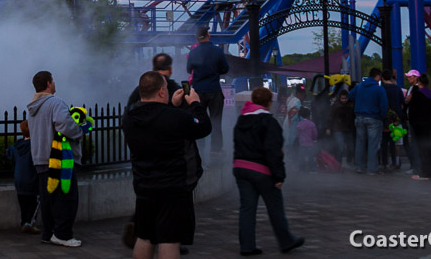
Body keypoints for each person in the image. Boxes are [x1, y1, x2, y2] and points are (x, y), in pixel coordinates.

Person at [122, 71, 212, 259]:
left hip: (144, 187)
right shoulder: (174, 117)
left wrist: (173, 105)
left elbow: (157, 121)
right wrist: (195, 102)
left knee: (145, 236)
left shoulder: (130, 118)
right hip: (173, 189)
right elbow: (203, 126)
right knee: (169, 240)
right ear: (162, 92)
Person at [232, 86, 304, 256]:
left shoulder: (241, 120)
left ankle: (247, 246)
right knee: (275, 208)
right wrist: (279, 175)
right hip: (262, 170)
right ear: (269, 103)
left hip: (241, 167)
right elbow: (273, 151)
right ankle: (286, 241)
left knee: (247, 209)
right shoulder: (269, 121)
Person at [26, 70, 85, 248]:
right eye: (53, 80)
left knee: (48, 199)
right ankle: (62, 235)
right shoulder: (55, 103)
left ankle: (48, 233)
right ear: (49, 83)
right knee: (66, 198)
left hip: (40, 158)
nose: (54, 83)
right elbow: (65, 125)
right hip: (59, 159)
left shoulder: (32, 106)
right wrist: (80, 131)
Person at [185, 28, 229, 153]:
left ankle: (200, 150)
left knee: (198, 121)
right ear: (208, 35)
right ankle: (216, 151)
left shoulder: (193, 53)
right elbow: (225, 69)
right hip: (214, 90)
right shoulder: (218, 51)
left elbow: (189, 70)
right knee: (216, 122)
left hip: (198, 91)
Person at [351, 68, 387, 175]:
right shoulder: (379, 89)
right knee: (373, 144)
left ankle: (359, 166)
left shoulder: (360, 86)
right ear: (378, 76)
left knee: (360, 143)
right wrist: (382, 116)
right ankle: (372, 169)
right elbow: (384, 105)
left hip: (359, 117)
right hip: (374, 118)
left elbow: (350, 95)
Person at [405, 74, 431, 180]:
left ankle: (424, 173)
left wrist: (412, 121)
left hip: (419, 125)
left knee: (421, 148)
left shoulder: (417, 94)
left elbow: (413, 111)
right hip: (430, 124)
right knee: (429, 147)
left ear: (419, 82)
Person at [7, 119, 39, 233]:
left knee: (23, 203)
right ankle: (29, 223)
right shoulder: (35, 146)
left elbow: (10, 155)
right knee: (34, 203)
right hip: (32, 179)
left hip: (19, 179)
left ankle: (24, 222)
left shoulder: (16, 146)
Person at [378, 70, 407, 172]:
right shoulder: (397, 89)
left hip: (384, 119)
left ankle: (384, 163)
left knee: (384, 142)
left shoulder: (381, 89)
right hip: (396, 119)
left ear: (382, 78)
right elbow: (403, 103)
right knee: (394, 141)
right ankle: (394, 162)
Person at [327, 90, 354, 165]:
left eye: (345, 98)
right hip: (339, 128)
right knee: (341, 147)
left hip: (345, 128)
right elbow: (330, 117)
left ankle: (341, 162)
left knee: (349, 148)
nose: (344, 100)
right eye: (343, 98)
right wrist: (329, 127)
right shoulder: (336, 105)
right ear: (340, 98)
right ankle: (339, 163)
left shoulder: (347, 105)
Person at [295, 108, 317, 173]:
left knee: (301, 157)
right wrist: (314, 139)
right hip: (310, 144)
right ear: (309, 115)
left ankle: (301, 169)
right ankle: (312, 169)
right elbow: (315, 134)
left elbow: (297, 134)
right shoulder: (312, 124)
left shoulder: (299, 124)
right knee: (311, 157)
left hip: (302, 143)